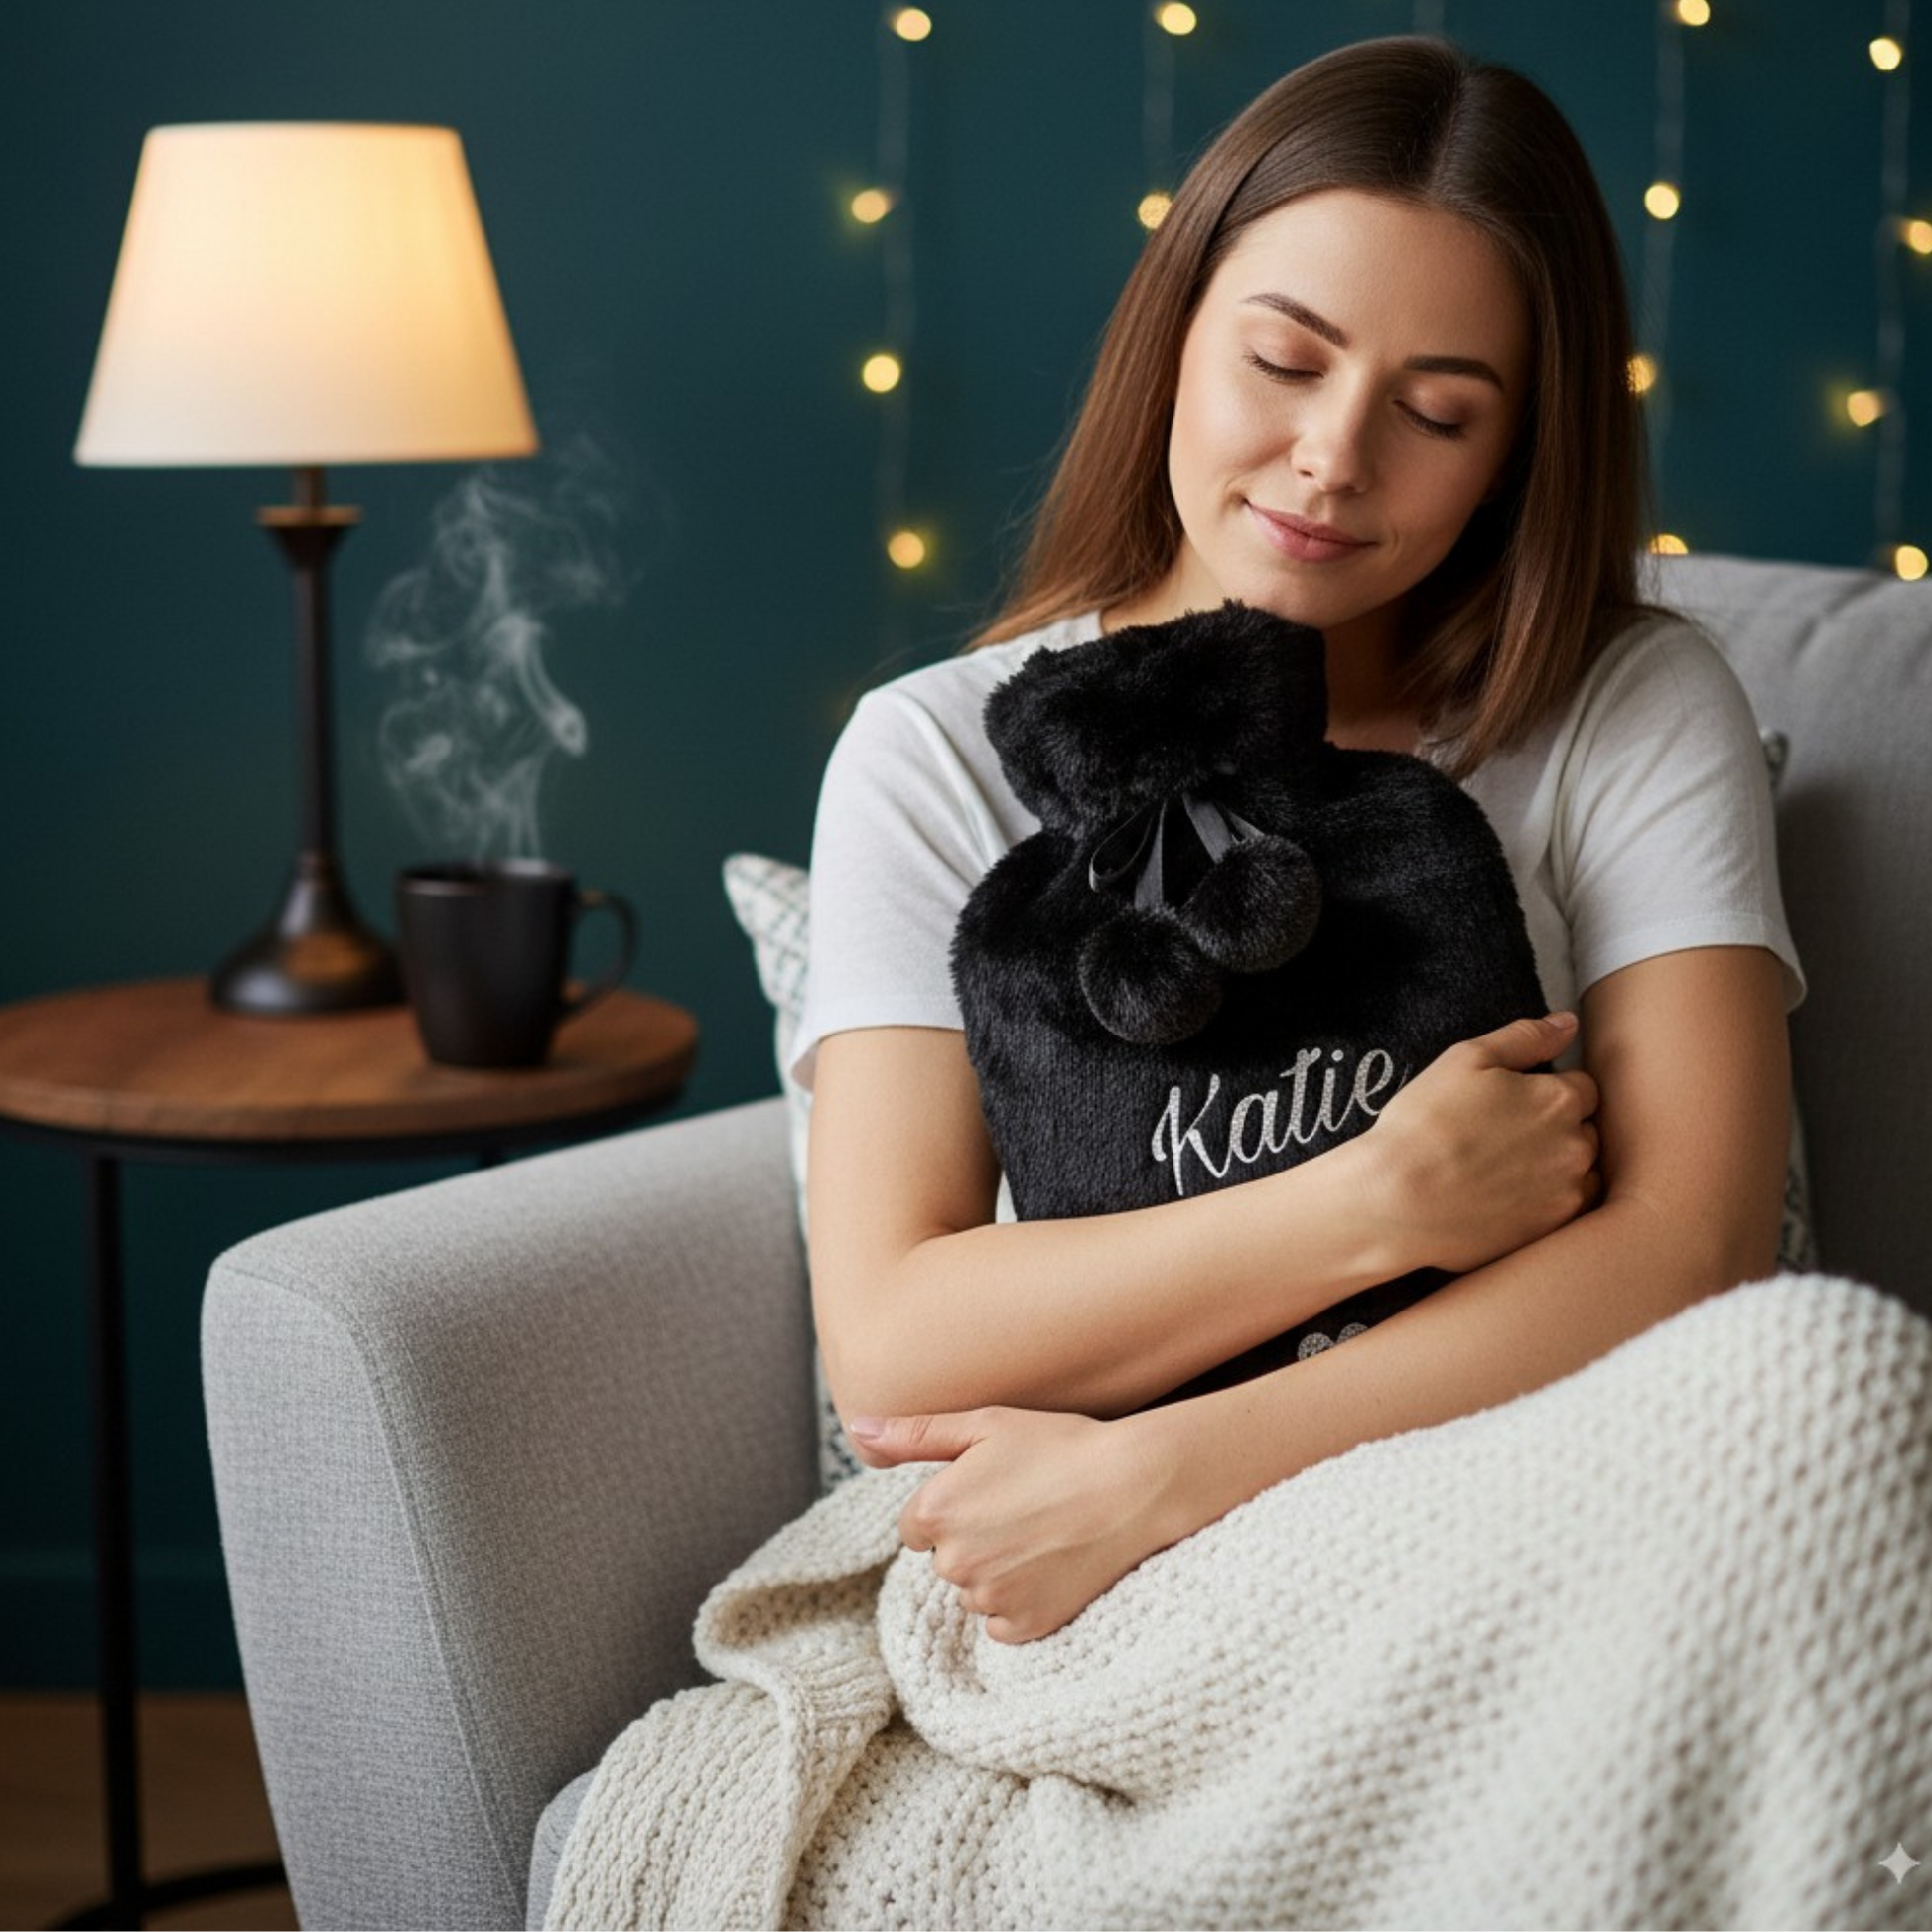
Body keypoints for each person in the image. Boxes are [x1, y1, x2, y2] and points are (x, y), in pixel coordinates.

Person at [791, 35, 1803, 1647]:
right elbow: (897, 1340)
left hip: (1540, 1503)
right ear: (1174, 337)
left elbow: (1694, 1252)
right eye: (1281, 360)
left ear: (1515, 453)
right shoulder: (931, 752)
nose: (1334, 457)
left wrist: (1168, 1471)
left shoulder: (1625, 701)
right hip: (1098, 1579)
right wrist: (1377, 1202)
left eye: (1437, 411)